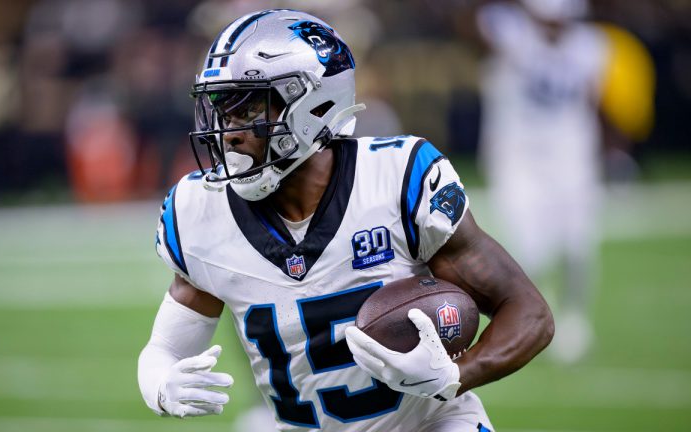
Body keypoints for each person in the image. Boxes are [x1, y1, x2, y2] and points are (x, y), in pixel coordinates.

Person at [138, 9, 553, 431]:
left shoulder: (396, 180)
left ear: (314, 103)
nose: (229, 133)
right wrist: (159, 382)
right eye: (224, 112)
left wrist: (456, 377)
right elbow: (165, 349)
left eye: (248, 111)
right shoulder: (200, 211)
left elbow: (528, 312)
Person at [472, 0, 642, 363]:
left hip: (571, 156)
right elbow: (475, 25)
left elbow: (595, 103)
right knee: (529, 250)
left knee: (579, 244)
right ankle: (537, 310)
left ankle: (576, 318)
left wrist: (614, 151)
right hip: (517, 158)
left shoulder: (590, 45)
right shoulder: (510, 31)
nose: (552, 29)